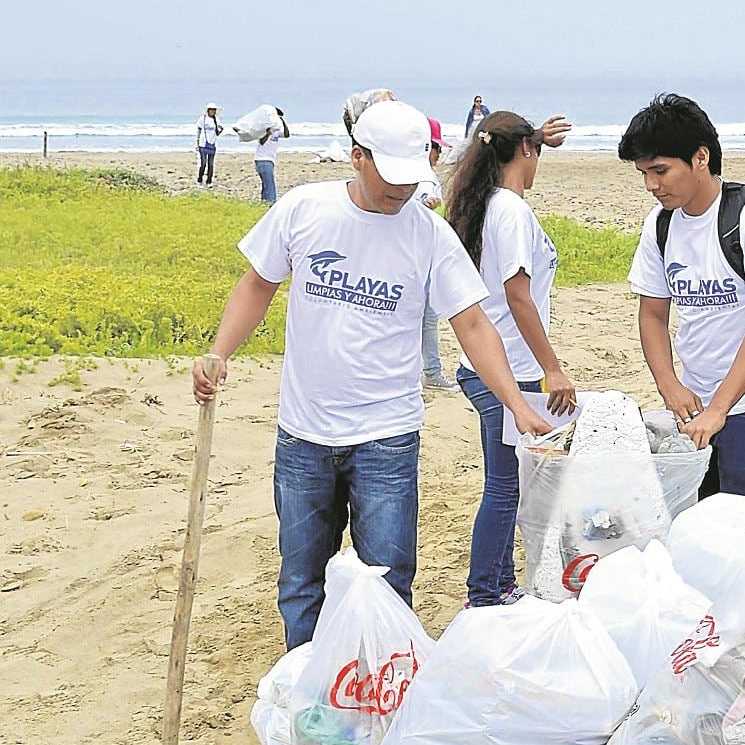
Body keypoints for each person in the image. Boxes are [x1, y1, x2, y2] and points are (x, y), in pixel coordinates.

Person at [190, 96, 552, 651]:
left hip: (387, 438)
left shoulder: (428, 234)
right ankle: (309, 686)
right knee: (301, 581)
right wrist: (219, 352)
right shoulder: (303, 209)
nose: (401, 192)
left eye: (412, 180)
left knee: (388, 579)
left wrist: (517, 404)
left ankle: (379, 691)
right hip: (304, 435)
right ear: (357, 157)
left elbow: (474, 325)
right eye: (390, 178)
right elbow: (257, 285)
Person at [621, 93, 745, 507]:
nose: (652, 185)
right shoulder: (661, 224)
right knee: (701, 533)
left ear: (700, 157)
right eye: (644, 173)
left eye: (661, 170)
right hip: (693, 405)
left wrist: (720, 408)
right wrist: (670, 386)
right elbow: (651, 314)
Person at [444, 109, 577, 606]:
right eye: (534, 151)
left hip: (484, 364)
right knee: (505, 488)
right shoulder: (512, 211)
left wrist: (535, 136)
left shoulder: (484, 204)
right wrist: (552, 368)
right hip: (510, 370)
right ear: (523, 152)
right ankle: (485, 592)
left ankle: (500, 584)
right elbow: (518, 296)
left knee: (506, 483)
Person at [417, 117, 457, 391]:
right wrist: (424, 206)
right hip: (419, 258)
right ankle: (431, 372)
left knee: (423, 318)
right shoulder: (422, 176)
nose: (439, 154)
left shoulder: (421, 175)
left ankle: (430, 371)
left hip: (423, 256)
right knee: (426, 319)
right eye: (436, 147)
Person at [255, 107, 289, 203]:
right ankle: (271, 203)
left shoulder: (277, 130)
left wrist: (283, 121)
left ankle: (264, 202)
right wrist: (267, 134)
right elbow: (261, 142)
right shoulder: (265, 129)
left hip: (270, 159)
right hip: (263, 159)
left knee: (266, 183)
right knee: (270, 184)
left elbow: (287, 134)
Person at [195, 102, 224, 187]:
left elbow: (218, 132)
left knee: (211, 164)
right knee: (203, 164)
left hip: (212, 144)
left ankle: (209, 181)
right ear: (208, 110)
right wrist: (197, 143)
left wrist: (221, 129)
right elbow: (199, 131)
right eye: (211, 110)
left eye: (214, 110)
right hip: (203, 144)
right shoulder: (202, 119)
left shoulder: (217, 120)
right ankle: (200, 179)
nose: (212, 111)